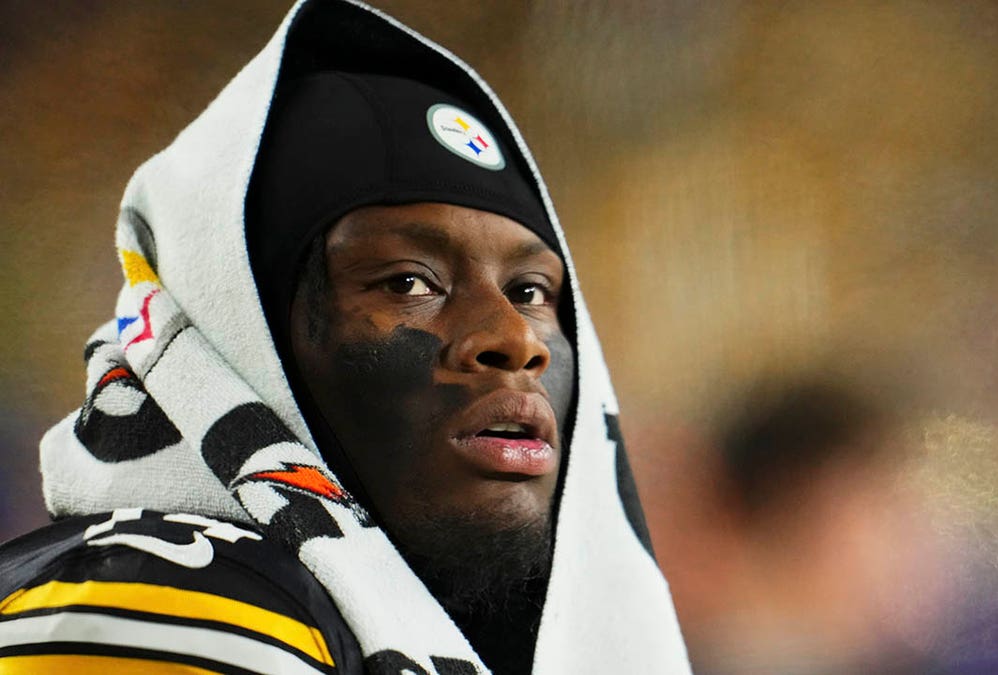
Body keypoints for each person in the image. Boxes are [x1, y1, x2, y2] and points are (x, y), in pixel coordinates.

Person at [0, 1, 690, 673]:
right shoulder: (162, 602)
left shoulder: (356, 617)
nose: (515, 339)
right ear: (244, 335)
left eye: (530, 291)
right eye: (407, 281)